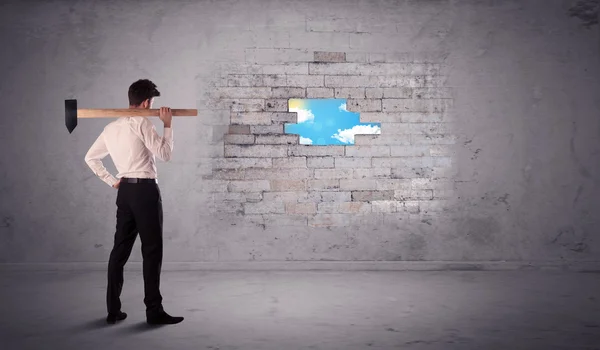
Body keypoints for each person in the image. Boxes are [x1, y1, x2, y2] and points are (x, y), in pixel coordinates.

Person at [84, 79, 183, 325]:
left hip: (125, 192)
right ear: (147, 102)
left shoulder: (111, 128)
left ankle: (113, 310)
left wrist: (112, 181)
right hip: (145, 192)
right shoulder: (142, 123)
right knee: (152, 251)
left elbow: (90, 158)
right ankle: (154, 312)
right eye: (152, 102)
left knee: (119, 250)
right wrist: (168, 126)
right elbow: (166, 155)